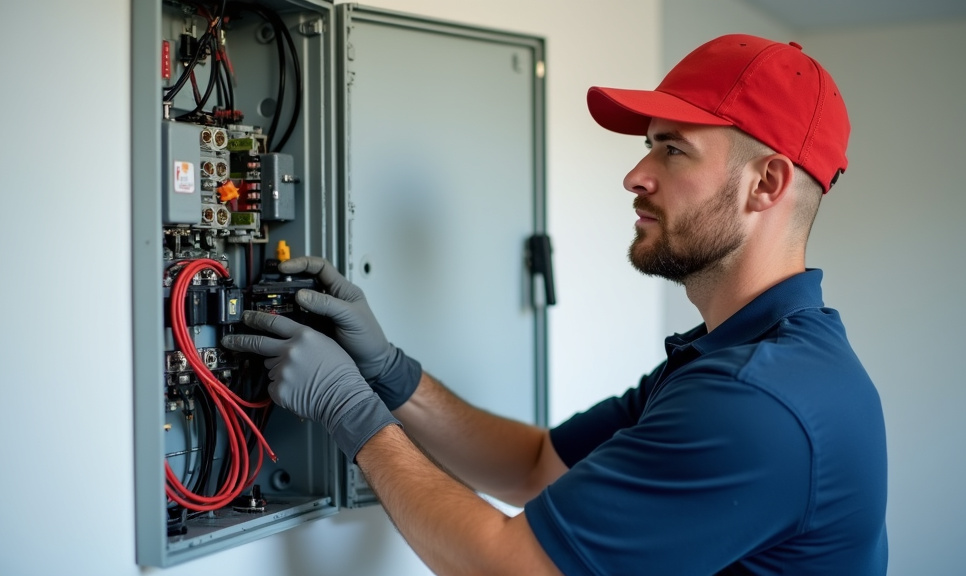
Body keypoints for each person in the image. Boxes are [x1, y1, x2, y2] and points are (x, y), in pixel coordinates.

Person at [222, 33, 888, 575]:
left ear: (766, 183)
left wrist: (352, 413)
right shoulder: (735, 359)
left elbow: (510, 569)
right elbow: (537, 466)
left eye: (673, 148)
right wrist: (393, 375)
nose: (635, 174)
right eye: (647, 144)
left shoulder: (757, 402)